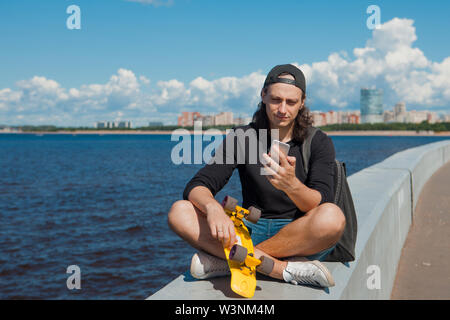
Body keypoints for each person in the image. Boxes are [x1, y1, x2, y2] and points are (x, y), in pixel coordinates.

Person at [168, 64, 346, 287]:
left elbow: (321, 203)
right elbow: (199, 184)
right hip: (249, 230)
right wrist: (212, 207)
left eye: (291, 102)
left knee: (332, 217)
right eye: (275, 99)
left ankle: (231, 261)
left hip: (297, 236)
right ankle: (280, 269)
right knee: (180, 211)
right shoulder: (242, 137)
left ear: (302, 103)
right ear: (263, 95)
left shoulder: (318, 141)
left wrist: (291, 185)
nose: (282, 109)